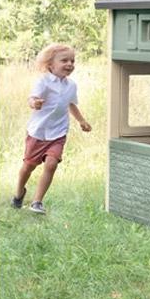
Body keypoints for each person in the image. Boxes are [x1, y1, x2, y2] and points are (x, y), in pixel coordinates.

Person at [11, 43, 92, 214]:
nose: (70, 64)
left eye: (72, 61)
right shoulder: (43, 82)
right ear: (50, 64)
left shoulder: (71, 85)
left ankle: (37, 202)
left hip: (58, 132)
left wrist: (81, 121)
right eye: (64, 60)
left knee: (51, 164)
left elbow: (71, 104)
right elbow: (31, 98)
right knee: (28, 166)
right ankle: (19, 192)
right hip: (38, 132)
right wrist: (34, 103)